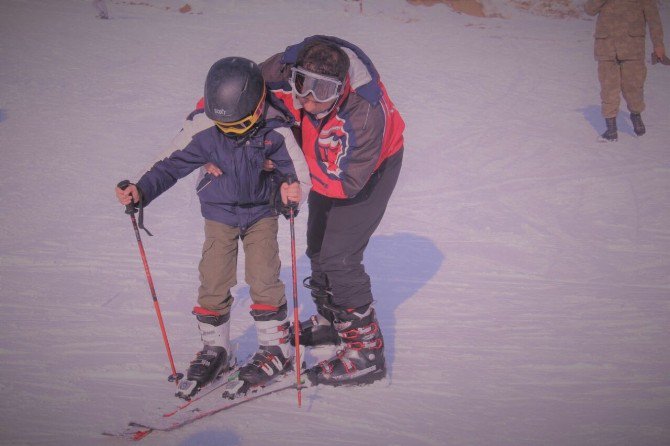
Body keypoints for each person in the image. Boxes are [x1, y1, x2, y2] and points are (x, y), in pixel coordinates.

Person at [115, 57, 310, 398]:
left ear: (257, 105)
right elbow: (169, 163)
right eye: (225, 127)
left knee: (263, 275)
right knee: (214, 276)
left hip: (260, 212)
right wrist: (140, 189)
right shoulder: (204, 129)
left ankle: (275, 347)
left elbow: (295, 173)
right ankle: (215, 349)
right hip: (218, 212)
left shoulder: (275, 129)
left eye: (239, 125)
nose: (231, 133)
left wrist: (291, 193)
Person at [258, 36, 405, 386]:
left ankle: (367, 351)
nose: (308, 102)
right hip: (319, 158)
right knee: (317, 245)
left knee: (340, 257)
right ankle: (331, 324)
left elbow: (346, 183)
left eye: (322, 93)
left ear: (341, 88)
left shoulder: (364, 114)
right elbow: (239, 88)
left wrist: (289, 172)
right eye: (301, 87)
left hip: (368, 169)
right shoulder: (279, 68)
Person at [585, 0, 665, 141]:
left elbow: (653, 18)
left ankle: (636, 115)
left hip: (632, 47)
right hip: (606, 47)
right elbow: (589, 9)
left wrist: (658, 44)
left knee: (634, 87)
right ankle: (611, 130)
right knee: (608, 89)